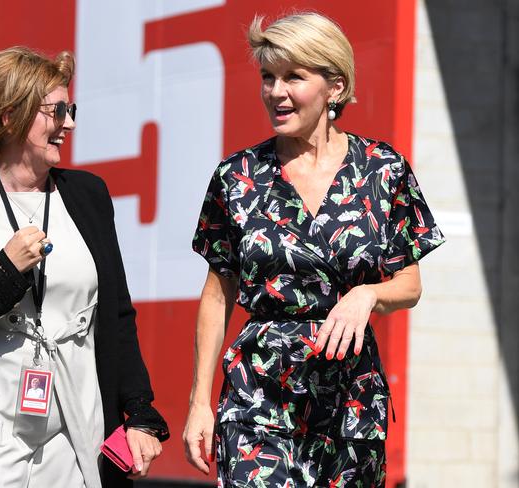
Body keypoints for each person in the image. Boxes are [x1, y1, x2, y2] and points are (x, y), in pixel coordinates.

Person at [183, 12, 444, 487]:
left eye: (293, 78)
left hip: (349, 403)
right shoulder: (236, 176)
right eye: (268, 77)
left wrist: (368, 296)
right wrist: (200, 402)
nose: (275, 92)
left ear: (335, 88)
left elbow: (409, 285)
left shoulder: (383, 171)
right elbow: (217, 294)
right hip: (257, 397)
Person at [0, 46, 168, 488]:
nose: (69, 123)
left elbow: (116, 315)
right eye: (57, 110)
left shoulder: (87, 194)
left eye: (71, 110)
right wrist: (1, 274)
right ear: (10, 115)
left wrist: (139, 408)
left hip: (75, 413)